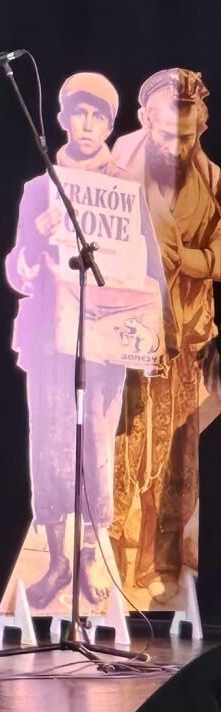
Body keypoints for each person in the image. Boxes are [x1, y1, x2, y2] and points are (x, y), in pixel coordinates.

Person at [5, 72, 164, 608]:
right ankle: (57, 560)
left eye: (99, 115)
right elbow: (16, 269)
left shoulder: (126, 190)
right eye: (80, 112)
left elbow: (149, 267)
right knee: (49, 443)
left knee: (97, 445)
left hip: (106, 338)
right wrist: (34, 249)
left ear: (110, 125)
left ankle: (92, 557)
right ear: (62, 118)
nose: (88, 124)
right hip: (49, 337)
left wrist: (152, 337)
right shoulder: (39, 189)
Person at [110, 68, 221, 603]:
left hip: (188, 336)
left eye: (187, 137)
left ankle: (164, 566)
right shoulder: (117, 167)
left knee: (175, 451)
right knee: (126, 446)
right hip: (130, 333)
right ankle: (112, 558)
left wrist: (187, 259)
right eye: (166, 136)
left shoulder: (212, 179)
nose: (177, 148)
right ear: (143, 120)